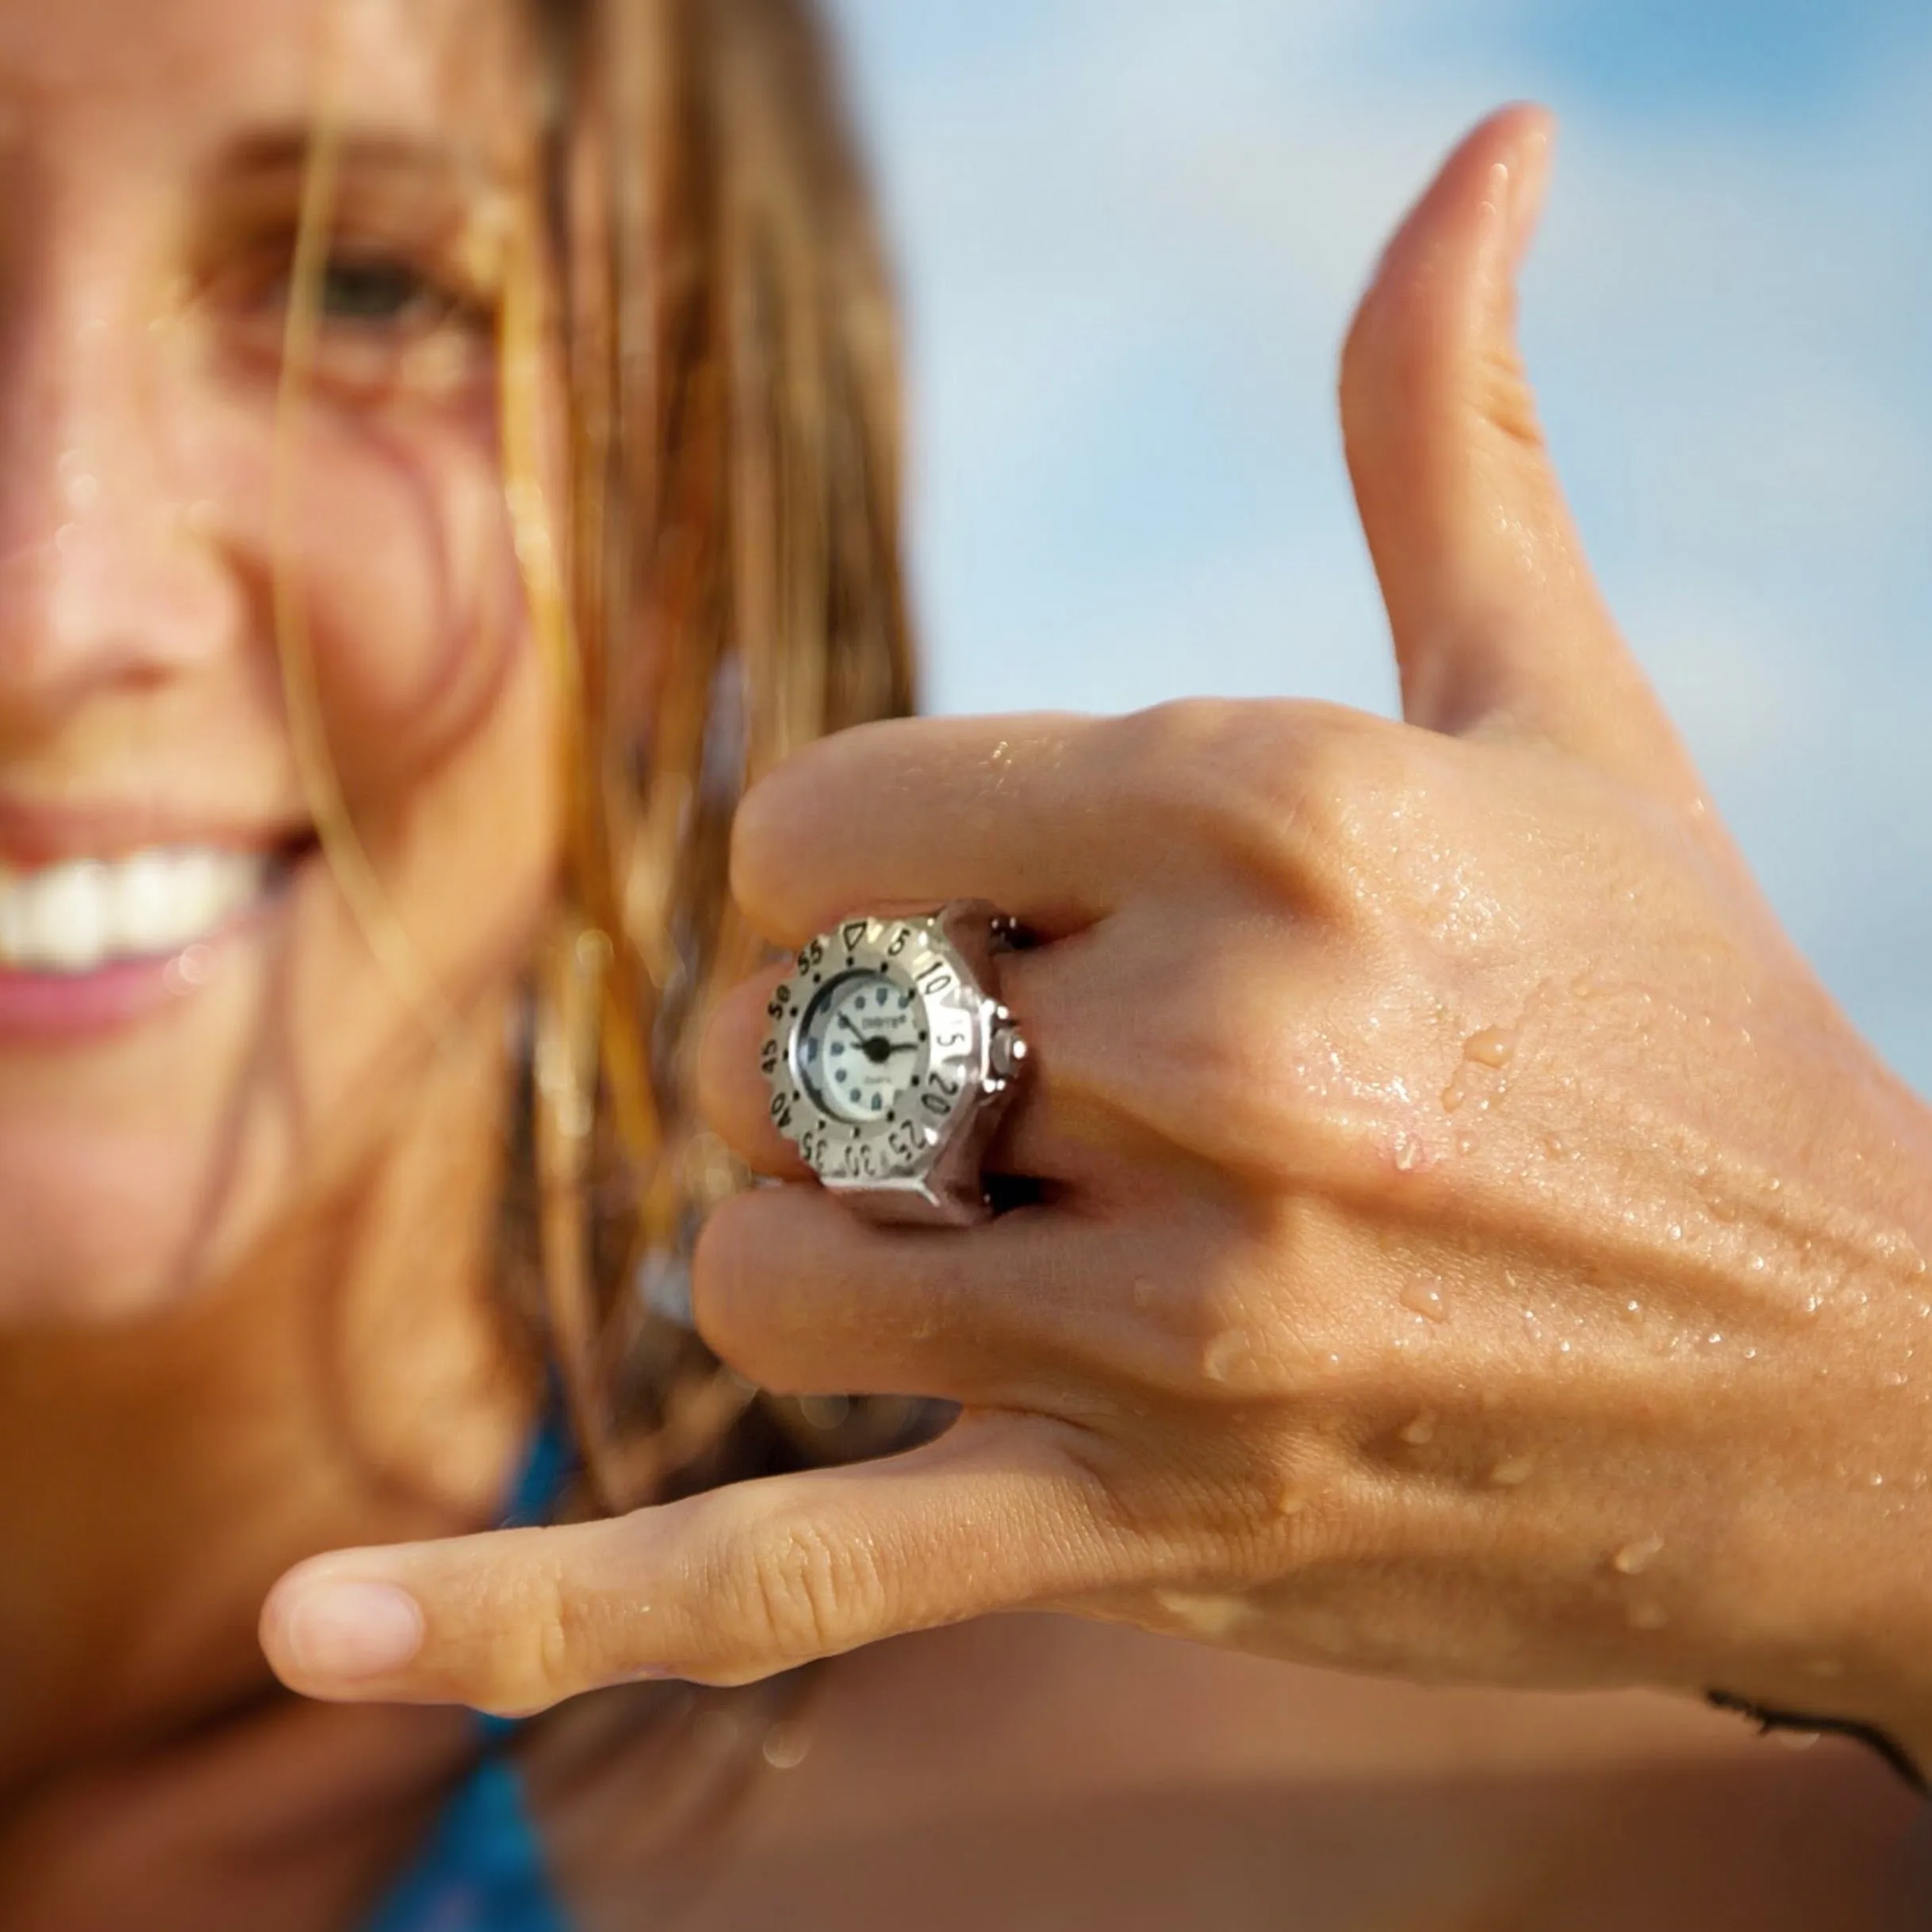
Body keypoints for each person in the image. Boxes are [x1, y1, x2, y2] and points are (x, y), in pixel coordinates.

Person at [2, 0, 1928, 1926]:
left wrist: (1883, 1439)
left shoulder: (1341, 1818)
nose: (48, 616)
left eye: (361, 286)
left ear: (685, 506)